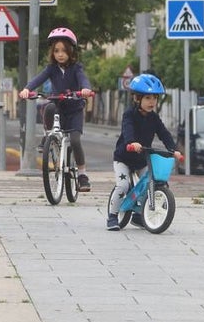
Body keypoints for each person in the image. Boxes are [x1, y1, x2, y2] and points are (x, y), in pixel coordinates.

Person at [18, 27, 94, 192]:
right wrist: (26, 89)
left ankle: (82, 174)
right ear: (52, 52)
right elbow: (38, 79)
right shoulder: (51, 69)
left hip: (74, 108)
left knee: (74, 140)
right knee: (49, 106)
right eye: (57, 51)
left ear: (71, 52)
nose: (60, 54)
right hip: (58, 105)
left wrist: (86, 89)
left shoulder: (76, 68)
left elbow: (83, 80)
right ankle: (48, 136)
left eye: (64, 51)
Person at [106, 73, 183, 231]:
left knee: (151, 183)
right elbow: (128, 130)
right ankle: (112, 216)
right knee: (123, 185)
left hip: (142, 159)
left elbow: (164, 134)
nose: (152, 102)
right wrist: (131, 142)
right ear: (136, 98)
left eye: (154, 98)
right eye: (148, 98)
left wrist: (173, 149)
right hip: (124, 158)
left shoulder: (154, 118)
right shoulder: (129, 114)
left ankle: (139, 215)